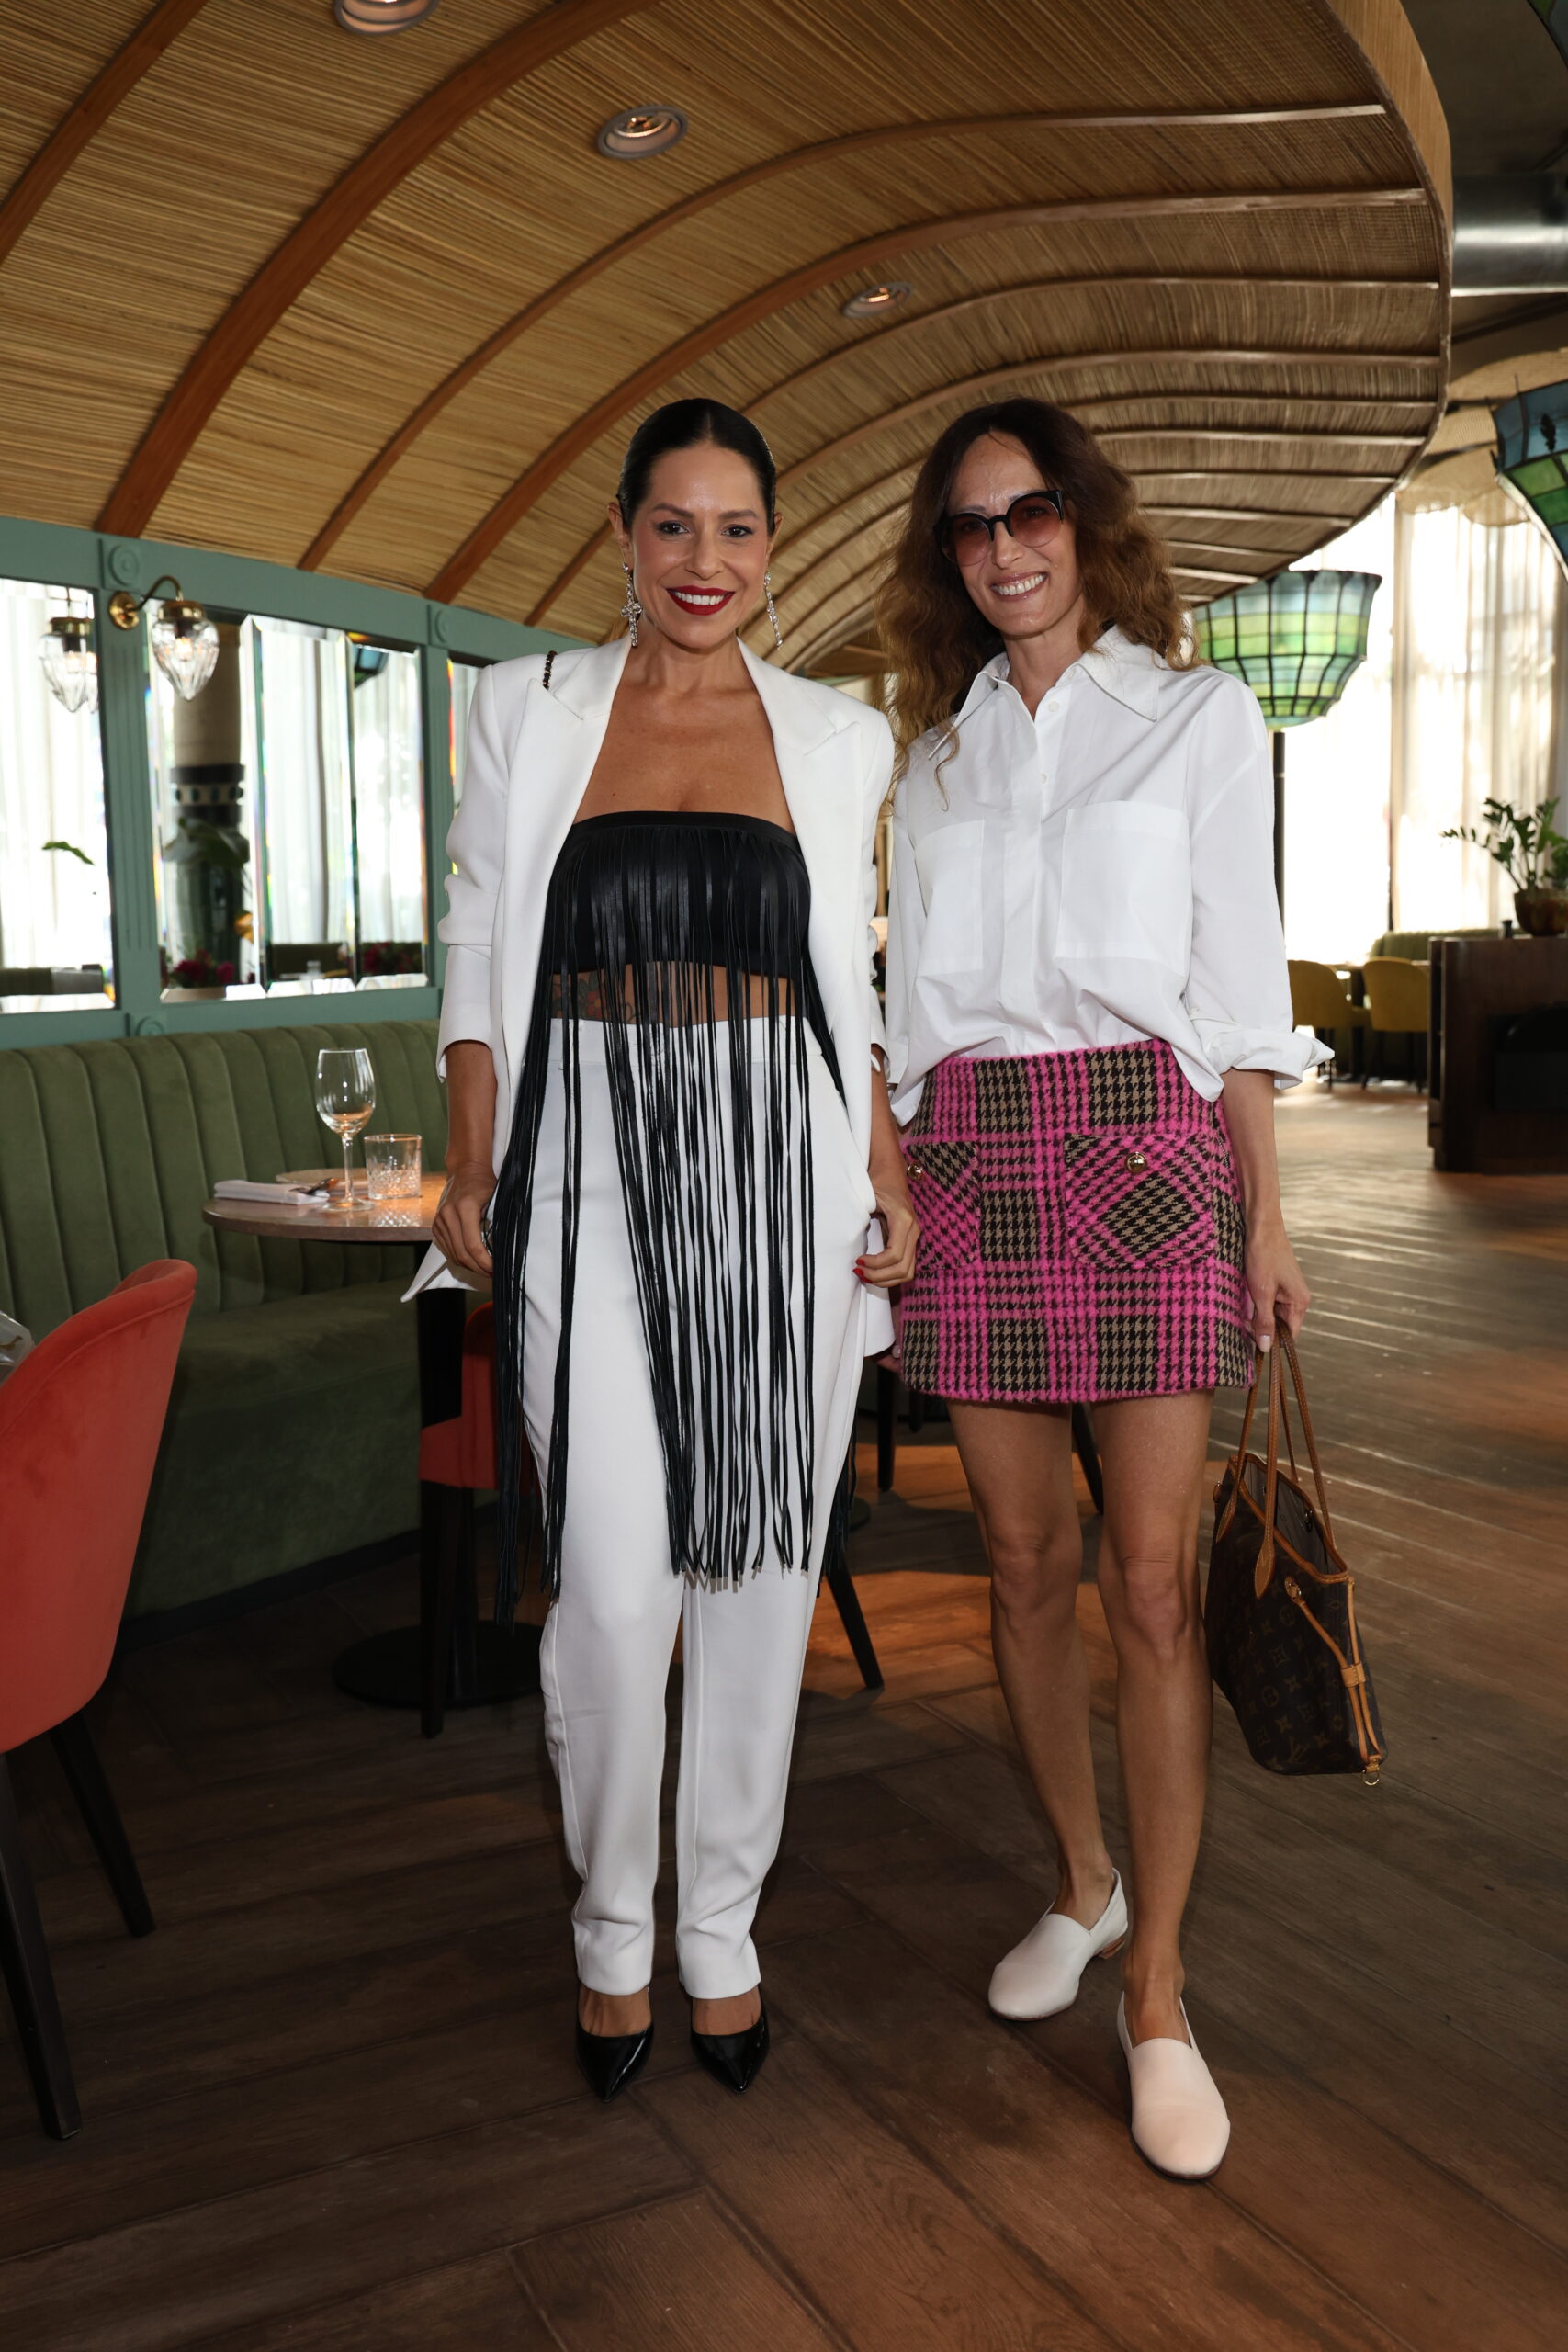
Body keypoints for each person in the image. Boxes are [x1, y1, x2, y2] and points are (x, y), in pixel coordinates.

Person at [416, 399, 917, 2103]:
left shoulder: (841, 737)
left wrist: (883, 1172)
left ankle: (720, 1929)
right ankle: (608, 1924)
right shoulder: (523, 709)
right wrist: (472, 1156)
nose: (708, 560)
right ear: (624, 537)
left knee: (764, 1571)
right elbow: (479, 939)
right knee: (620, 1585)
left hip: (784, 1162)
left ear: (773, 546)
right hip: (585, 1160)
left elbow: (853, 983)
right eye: (675, 525)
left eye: (739, 528)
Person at [878, 397, 1326, 2181]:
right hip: (975, 1163)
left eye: (1031, 511)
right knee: (1016, 1563)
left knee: (1149, 1588)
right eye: (973, 525)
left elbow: (1237, 989)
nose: (1006, 548)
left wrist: (1265, 1218)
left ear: (1085, 520)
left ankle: (1156, 1990)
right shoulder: (931, 763)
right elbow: (908, 1016)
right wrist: (892, 1183)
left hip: (1147, 1146)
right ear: (950, 558)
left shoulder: (1196, 719)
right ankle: (1080, 1881)